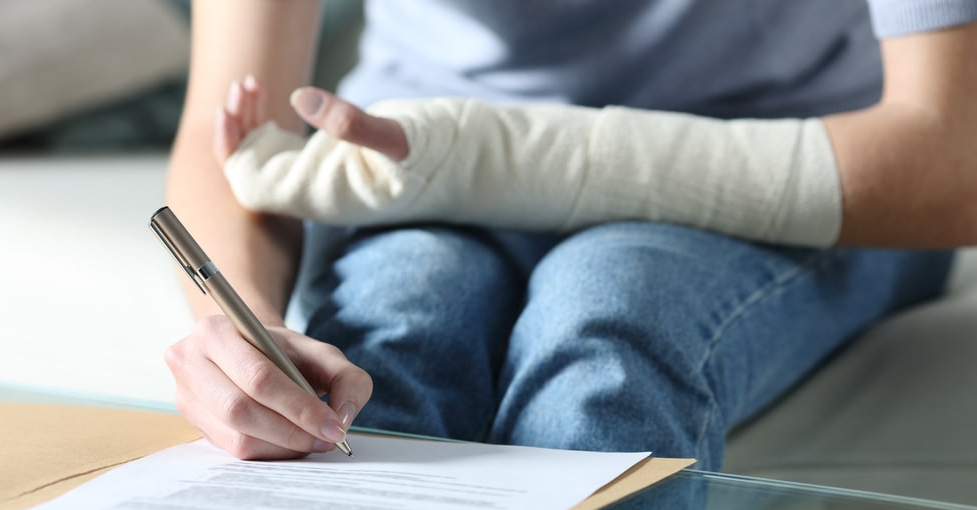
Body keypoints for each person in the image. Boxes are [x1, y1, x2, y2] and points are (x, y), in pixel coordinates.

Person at [164, 0, 976, 468]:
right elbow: (234, 126)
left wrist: (504, 161)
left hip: (806, 163)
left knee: (609, 338)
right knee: (382, 359)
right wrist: (245, 333)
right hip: (410, 161)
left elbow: (954, 156)